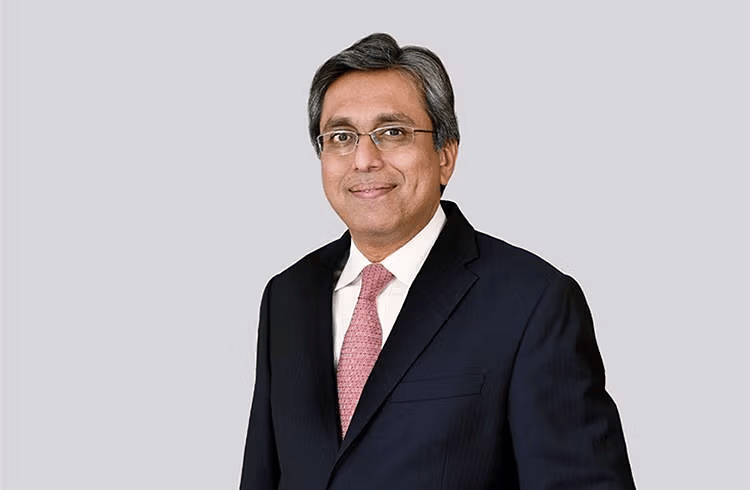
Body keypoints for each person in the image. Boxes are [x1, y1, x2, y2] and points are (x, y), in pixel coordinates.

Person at [239, 33, 635, 490]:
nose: (364, 160)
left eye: (392, 132)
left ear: (445, 155)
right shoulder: (287, 296)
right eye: (342, 137)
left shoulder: (532, 302)